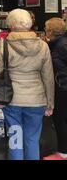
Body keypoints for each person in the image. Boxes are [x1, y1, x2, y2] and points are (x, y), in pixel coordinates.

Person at [0, 9, 54, 160]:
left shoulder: (4, 44)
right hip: (37, 100)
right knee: (32, 140)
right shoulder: (43, 46)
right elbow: (48, 77)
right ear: (29, 24)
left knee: (15, 140)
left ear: (11, 24)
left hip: (11, 99)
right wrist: (50, 103)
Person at [43, 18, 67, 160]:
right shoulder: (58, 44)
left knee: (60, 120)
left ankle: (63, 152)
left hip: (62, 89)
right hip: (62, 87)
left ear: (51, 31)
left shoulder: (60, 46)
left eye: (46, 28)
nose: (45, 30)